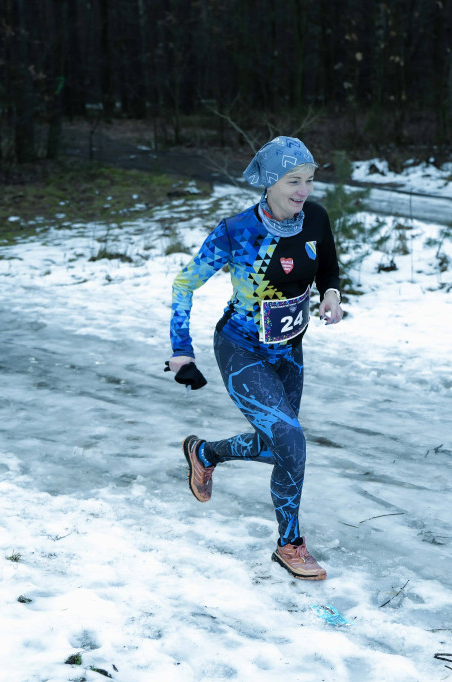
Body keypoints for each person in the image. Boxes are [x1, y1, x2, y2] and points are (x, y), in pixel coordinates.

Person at [167, 136, 343, 580]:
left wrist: (332, 295)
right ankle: (290, 545)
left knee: (282, 447)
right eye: (292, 180)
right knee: (292, 441)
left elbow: (327, 267)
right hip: (240, 348)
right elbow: (184, 284)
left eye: (309, 179)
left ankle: (205, 453)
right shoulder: (237, 231)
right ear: (268, 182)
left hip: (290, 350)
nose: (303, 190)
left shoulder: (316, 218)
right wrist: (180, 350)